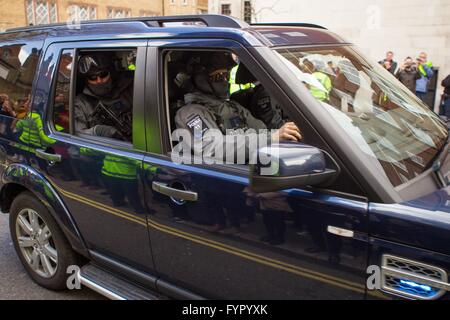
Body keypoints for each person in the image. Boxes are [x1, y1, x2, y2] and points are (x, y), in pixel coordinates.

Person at [174, 52, 301, 161]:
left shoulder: (233, 106)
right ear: (201, 78)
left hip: (251, 165)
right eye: (219, 77)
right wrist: (272, 138)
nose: (225, 81)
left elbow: (261, 129)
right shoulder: (190, 113)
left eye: (227, 76)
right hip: (228, 175)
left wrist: (286, 136)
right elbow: (212, 148)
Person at [74, 52, 133, 141]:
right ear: (86, 80)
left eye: (103, 74)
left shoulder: (127, 89)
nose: (99, 81)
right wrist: (97, 131)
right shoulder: (81, 103)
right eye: (93, 77)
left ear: (111, 74)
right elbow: (77, 136)